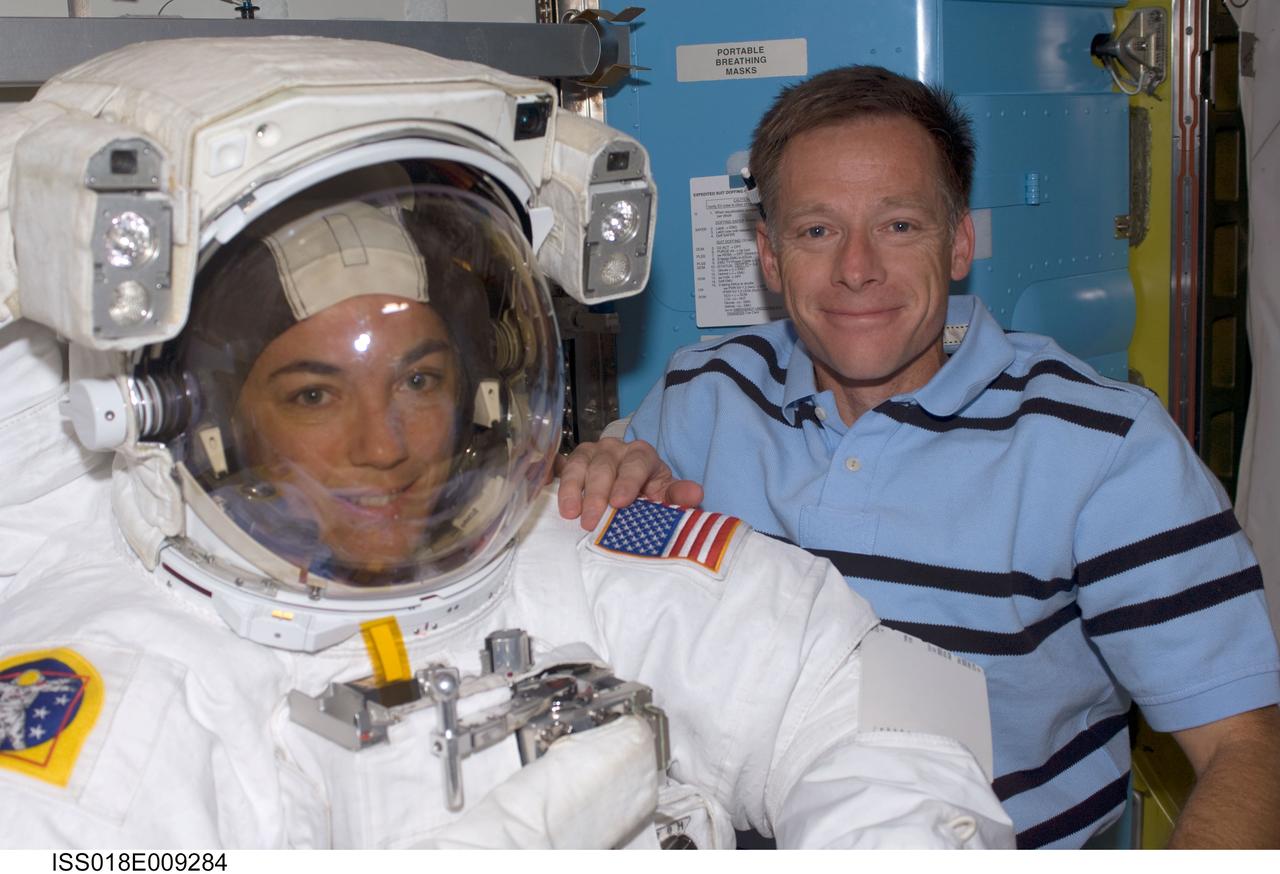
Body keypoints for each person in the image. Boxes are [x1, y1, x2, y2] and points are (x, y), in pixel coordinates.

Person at [0, 175, 1013, 848]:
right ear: (218, 424)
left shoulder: (563, 545)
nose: (385, 443)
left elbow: (884, 702)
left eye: (421, 379)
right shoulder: (129, 673)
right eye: (313, 394)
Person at [557, 64, 1280, 848]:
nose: (857, 268)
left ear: (961, 240)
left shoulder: (1103, 447)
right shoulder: (702, 398)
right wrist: (600, 481)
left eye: (899, 225)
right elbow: (594, 570)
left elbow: (1248, 750)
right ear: (769, 256)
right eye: (816, 230)